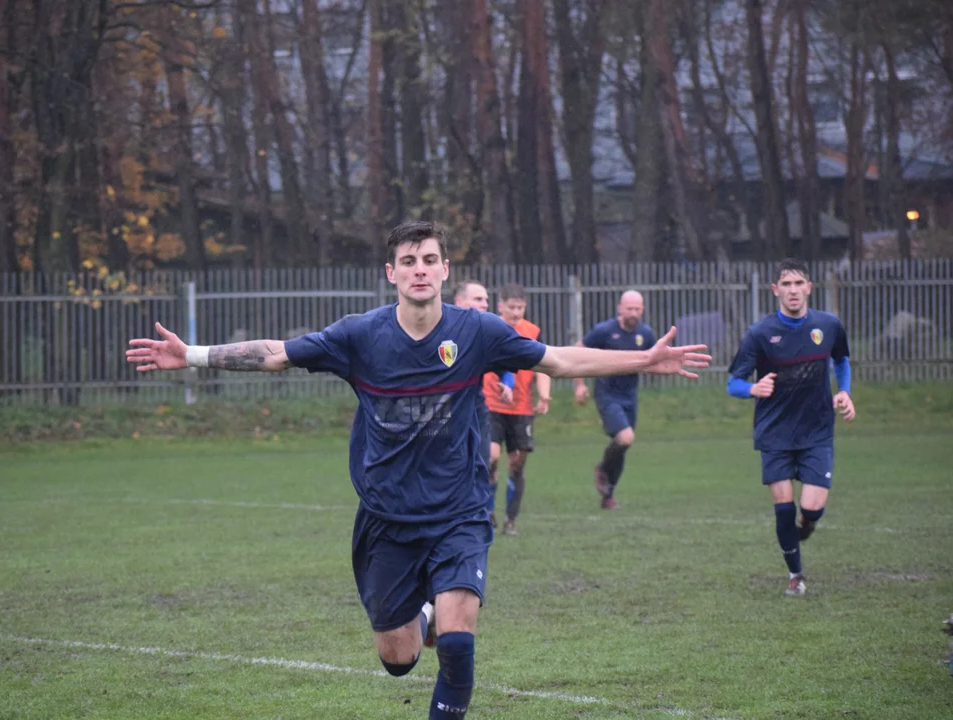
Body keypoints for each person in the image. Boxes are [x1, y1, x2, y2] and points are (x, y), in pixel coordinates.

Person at [126, 220, 711, 719]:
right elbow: (277, 353)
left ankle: (444, 615)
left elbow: (558, 360)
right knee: (399, 659)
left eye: (430, 259)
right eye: (408, 261)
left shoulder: (477, 331)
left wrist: (645, 358)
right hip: (387, 517)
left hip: (459, 509)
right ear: (392, 273)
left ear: (445, 269)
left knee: (457, 643)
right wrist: (192, 355)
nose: (420, 270)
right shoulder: (360, 335)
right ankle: (423, 610)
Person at [726, 258, 854, 597]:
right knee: (783, 507)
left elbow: (841, 360)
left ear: (809, 288)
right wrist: (753, 389)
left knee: (812, 507)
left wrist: (844, 391)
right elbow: (733, 383)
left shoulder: (828, 325)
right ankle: (795, 575)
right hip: (774, 432)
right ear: (775, 290)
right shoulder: (760, 333)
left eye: (799, 283)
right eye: (786, 284)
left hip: (816, 429)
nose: (793, 290)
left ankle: (807, 524)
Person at [574, 291, 656, 510]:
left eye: (637, 309)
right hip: (607, 394)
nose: (633, 313)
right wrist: (580, 384)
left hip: (630, 396)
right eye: (629, 309)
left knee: (623, 446)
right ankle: (602, 468)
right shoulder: (604, 331)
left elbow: (654, 358)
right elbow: (578, 351)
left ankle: (608, 495)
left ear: (643, 309)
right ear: (620, 309)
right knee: (625, 438)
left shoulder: (646, 334)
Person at [483, 283, 551, 535]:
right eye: (511, 307)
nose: (516, 312)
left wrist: (544, 395)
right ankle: (487, 511)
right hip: (490, 404)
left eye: (520, 307)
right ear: (500, 306)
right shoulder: (489, 327)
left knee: (517, 463)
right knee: (491, 457)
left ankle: (510, 520)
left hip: (521, 407)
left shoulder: (532, 332)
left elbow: (543, 366)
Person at [452, 280, 514, 481]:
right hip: (442, 413)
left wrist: (508, 385)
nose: (485, 304)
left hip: (475, 411)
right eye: (478, 299)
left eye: (486, 300)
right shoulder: (441, 332)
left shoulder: (485, 335)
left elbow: (505, 368)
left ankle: (483, 501)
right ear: (459, 302)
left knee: (481, 466)